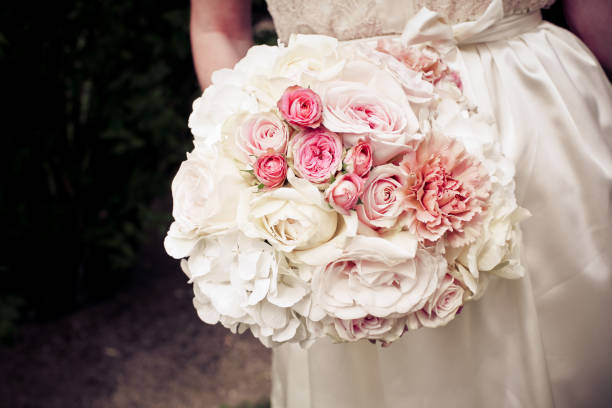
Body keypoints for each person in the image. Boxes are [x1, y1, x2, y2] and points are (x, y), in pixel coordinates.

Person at [189, 1, 612, 407]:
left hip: (534, 115)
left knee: (570, 337)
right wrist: (264, 159)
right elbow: (218, 28)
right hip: (336, 143)